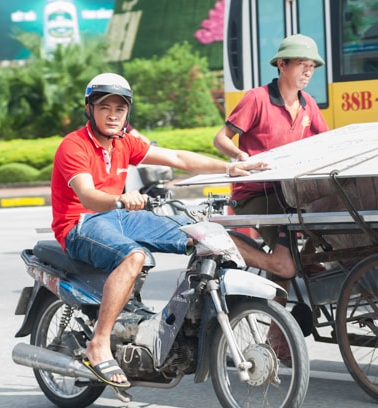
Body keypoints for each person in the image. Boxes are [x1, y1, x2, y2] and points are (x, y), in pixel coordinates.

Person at [51, 72, 297, 388]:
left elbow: (177, 157)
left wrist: (230, 168)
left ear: (128, 112)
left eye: (120, 108)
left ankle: (172, 326)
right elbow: (87, 196)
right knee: (135, 256)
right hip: (81, 222)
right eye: (104, 107)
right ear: (89, 109)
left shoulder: (126, 141)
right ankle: (98, 344)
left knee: (202, 234)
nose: (113, 115)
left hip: (119, 215)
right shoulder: (74, 146)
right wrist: (120, 198)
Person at [213, 34, 328, 362]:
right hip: (255, 195)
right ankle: (278, 338)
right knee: (286, 262)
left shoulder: (308, 105)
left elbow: (326, 142)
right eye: (301, 65)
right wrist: (240, 157)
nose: (307, 72)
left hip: (291, 194)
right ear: (281, 65)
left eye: (311, 66)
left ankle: (279, 331)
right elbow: (221, 138)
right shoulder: (257, 98)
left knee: (323, 228)